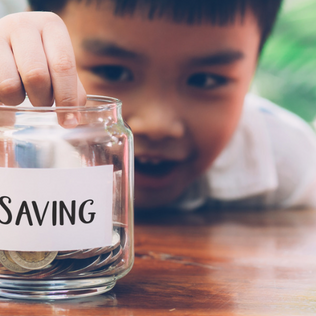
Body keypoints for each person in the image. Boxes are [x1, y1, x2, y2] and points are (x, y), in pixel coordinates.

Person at [0, 0, 316, 211]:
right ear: (45, 52)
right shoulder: (13, 129)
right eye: (114, 72)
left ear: (254, 69)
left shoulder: (285, 160)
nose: (157, 123)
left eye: (205, 80)